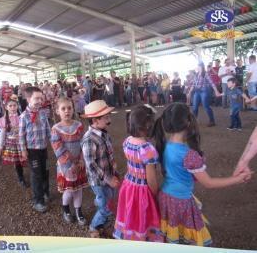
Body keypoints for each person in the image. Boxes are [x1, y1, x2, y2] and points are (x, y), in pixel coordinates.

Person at [152, 103, 251, 246]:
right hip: (181, 202)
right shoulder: (188, 155)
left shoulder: (165, 144)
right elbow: (208, 183)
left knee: (173, 233)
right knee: (191, 238)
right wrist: (237, 179)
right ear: (187, 122)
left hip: (166, 197)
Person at [113, 105, 163, 242]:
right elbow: (151, 180)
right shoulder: (148, 150)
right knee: (142, 216)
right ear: (148, 125)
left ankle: (131, 237)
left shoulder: (127, 141)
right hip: (142, 191)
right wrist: (156, 194)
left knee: (131, 214)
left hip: (129, 185)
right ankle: (142, 240)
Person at [81, 100, 120, 238]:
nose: (109, 119)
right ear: (95, 121)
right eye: (106, 117)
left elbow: (108, 154)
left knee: (108, 198)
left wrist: (113, 168)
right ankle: (94, 226)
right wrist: (108, 178)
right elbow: (91, 164)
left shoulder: (103, 133)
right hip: (98, 180)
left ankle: (100, 201)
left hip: (107, 176)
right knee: (106, 207)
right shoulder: (89, 139)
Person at [51, 97, 88, 225]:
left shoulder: (78, 125)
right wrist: (71, 164)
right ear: (57, 111)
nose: (67, 111)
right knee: (69, 190)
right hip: (66, 165)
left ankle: (78, 211)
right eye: (63, 108)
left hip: (80, 163)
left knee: (79, 189)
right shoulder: (56, 129)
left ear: (73, 109)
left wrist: (82, 159)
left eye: (69, 108)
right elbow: (58, 148)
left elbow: (84, 143)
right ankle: (66, 209)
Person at [19, 87, 51, 213]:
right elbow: (21, 135)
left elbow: (48, 130)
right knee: (36, 175)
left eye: (41, 98)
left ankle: (45, 192)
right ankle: (38, 200)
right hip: (32, 151)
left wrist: (54, 143)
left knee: (46, 171)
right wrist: (23, 150)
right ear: (28, 99)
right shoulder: (23, 116)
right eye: (36, 98)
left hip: (44, 149)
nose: (39, 101)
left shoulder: (43, 113)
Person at [0, 95, 29, 190]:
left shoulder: (22, 117)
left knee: (26, 157)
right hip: (12, 143)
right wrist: (0, 146)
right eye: (10, 106)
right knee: (17, 161)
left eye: (14, 105)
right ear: (6, 107)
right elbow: (2, 134)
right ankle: (21, 177)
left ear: (17, 106)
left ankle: (33, 174)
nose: (12, 107)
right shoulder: (4, 120)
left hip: (23, 141)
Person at [189, 62, 220, 127]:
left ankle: (212, 121)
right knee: (194, 107)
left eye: (198, 66)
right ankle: (194, 121)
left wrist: (216, 91)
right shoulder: (196, 75)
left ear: (202, 67)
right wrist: (189, 92)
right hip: (197, 91)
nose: (197, 67)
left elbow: (212, 83)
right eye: (197, 66)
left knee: (206, 107)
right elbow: (193, 85)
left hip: (204, 91)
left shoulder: (205, 74)